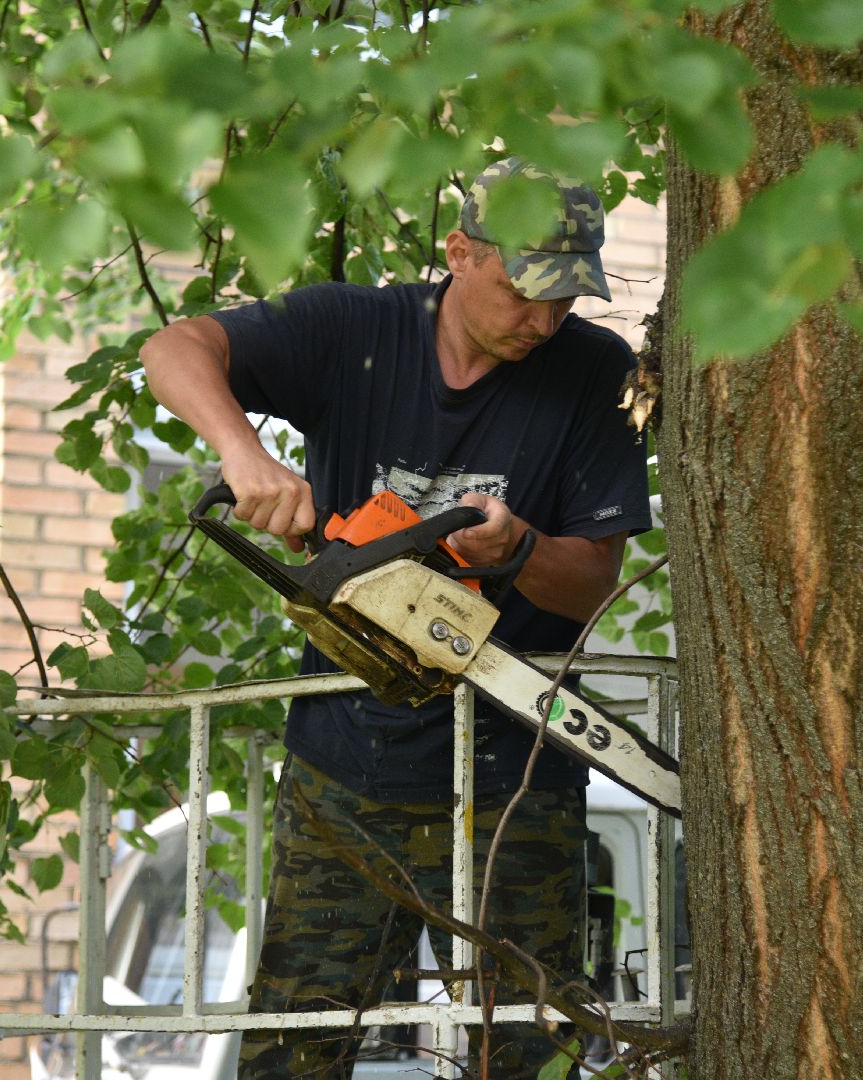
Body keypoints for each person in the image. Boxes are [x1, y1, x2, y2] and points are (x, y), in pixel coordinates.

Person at [139, 156, 651, 1078]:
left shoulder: (593, 374)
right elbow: (170, 350)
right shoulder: (354, 329)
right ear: (461, 253)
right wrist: (247, 454)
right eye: (525, 293)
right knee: (296, 1049)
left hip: (515, 768)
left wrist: (523, 552)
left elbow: (594, 585)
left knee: (530, 1049)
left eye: (566, 301)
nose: (544, 322)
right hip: (346, 761)